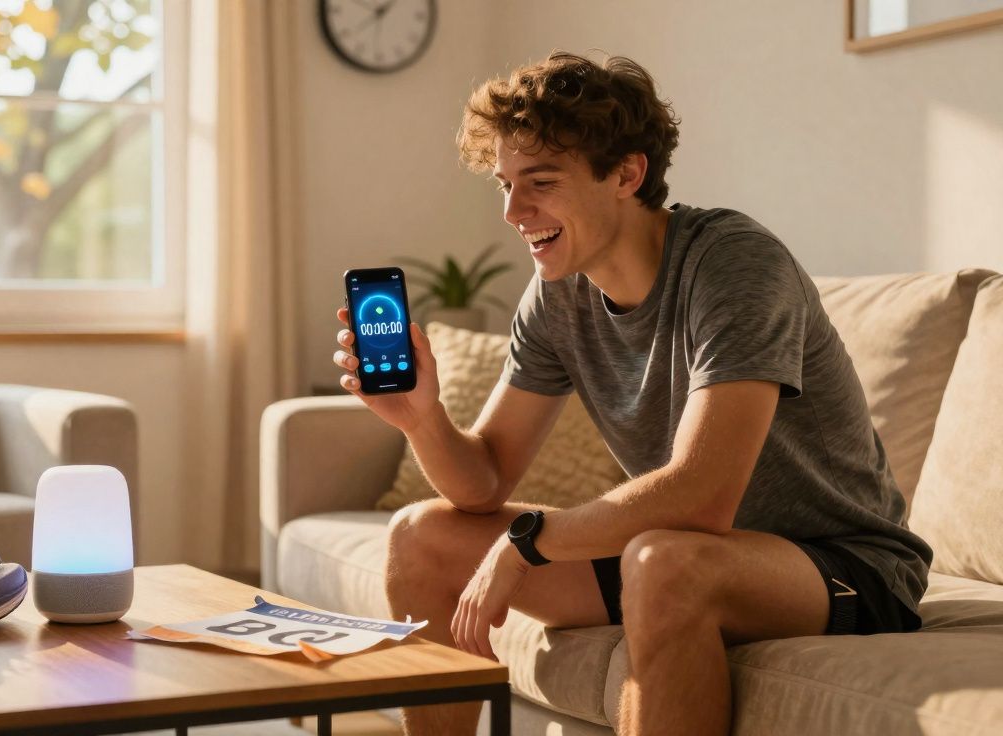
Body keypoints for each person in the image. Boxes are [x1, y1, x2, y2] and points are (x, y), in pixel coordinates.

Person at [330, 51, 930, 736]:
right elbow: (484, 481)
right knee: (421, 536)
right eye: (504, 184)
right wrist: (422, 418)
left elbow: (702, 496)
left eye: (541, 182)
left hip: (841, 563)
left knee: (663, 560)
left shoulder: (733, 263)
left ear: (626, 173)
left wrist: (527, 542)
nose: (512, 210)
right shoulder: (558, 294)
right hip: (682, 551)